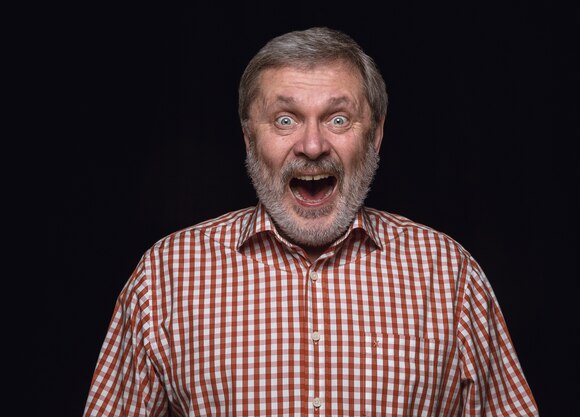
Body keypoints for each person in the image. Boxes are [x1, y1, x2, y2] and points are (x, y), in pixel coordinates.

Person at [83, 27, 538, 416]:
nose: (313, 145)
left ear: (375, 136)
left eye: (338, 119)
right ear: (248, 138)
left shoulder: (448, 273)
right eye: (285, 120)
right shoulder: (165, 276)